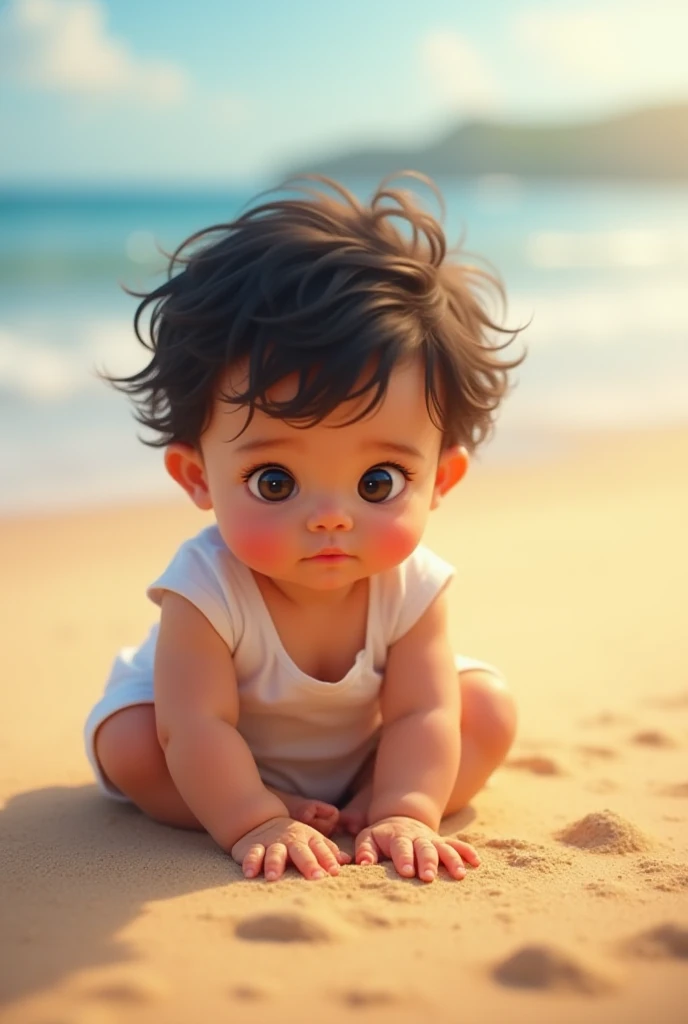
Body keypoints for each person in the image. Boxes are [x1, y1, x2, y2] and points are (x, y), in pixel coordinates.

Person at [84, 173, 524, 884]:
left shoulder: (413, 586)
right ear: (198, 477)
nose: (329, 515)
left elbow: (420, 711)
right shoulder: (205, 588)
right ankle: (265, 805)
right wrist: (252, 817)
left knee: (484, 712)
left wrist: (407, 808)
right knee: (130, 746)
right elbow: (192, 728)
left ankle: (363, 804)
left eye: (377, 481)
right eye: (275, 482)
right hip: (210, 756)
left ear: (439, 480)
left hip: (367, 749)